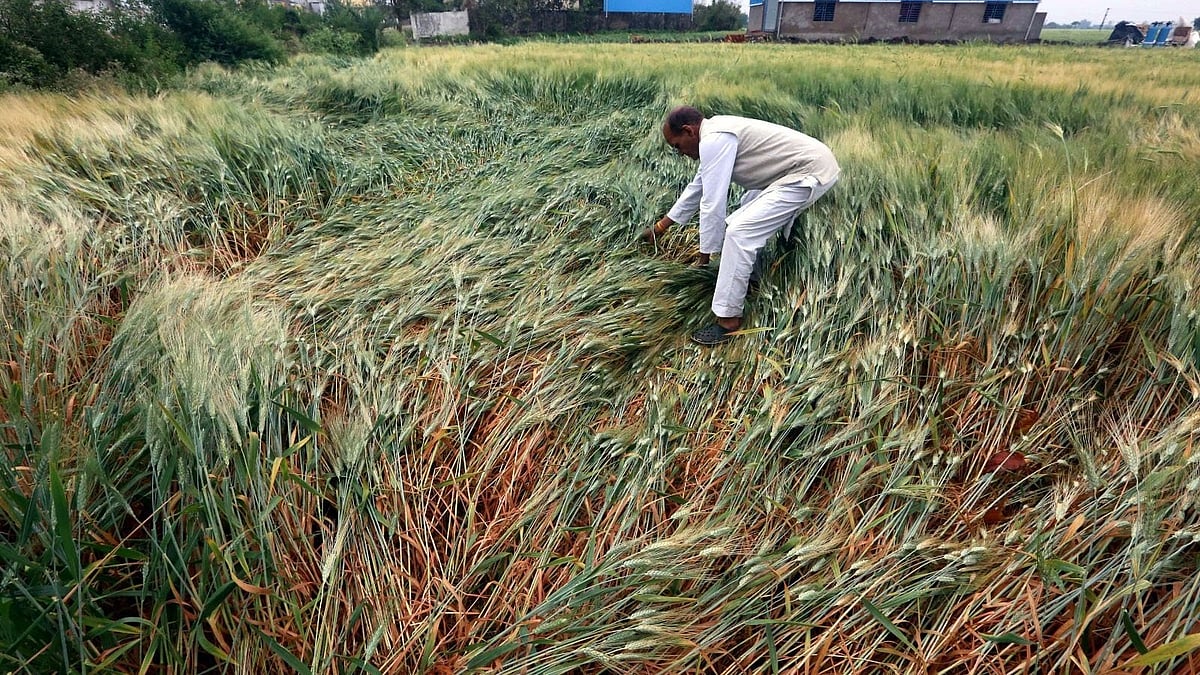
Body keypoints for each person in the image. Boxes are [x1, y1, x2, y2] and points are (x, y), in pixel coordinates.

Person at [642, 106, 840, 346]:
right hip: (791, 171)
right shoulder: (714, 134)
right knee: (744, 215)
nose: (680, 153)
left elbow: (712, 202)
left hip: (808, 171)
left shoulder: (715, 138)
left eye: (677, 146)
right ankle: (751, 282)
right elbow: (699, 186)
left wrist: (704, 258)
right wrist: (660, 228)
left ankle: (728, 320)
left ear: (688, 131)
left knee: (740, 231)